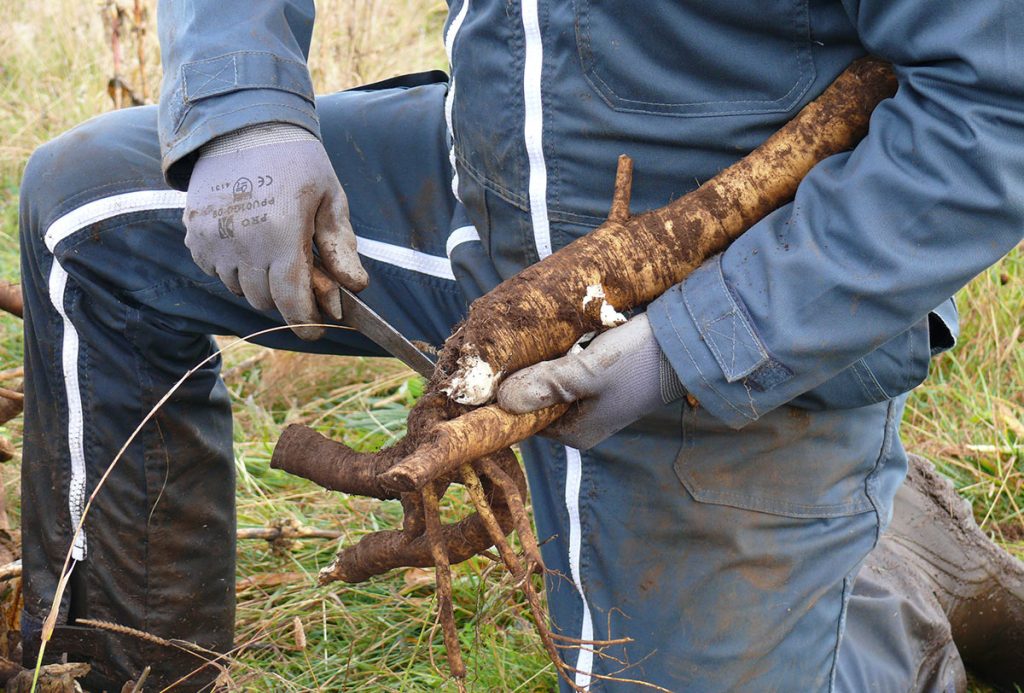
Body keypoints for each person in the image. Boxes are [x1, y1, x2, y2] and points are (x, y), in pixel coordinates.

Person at [16, 0, 1024, 690]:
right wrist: (239, 105)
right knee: (87, 218)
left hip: (742, 282)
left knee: (632, 662)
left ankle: (879, 583)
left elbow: (996, 107)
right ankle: (125, 669)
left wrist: (703, 340)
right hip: (488, 196)